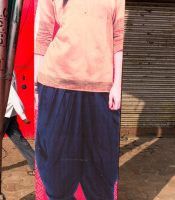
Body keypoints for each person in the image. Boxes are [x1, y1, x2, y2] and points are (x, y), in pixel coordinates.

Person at [34, 0, 125, 199]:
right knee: (56, 170)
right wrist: (36, 88)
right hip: (57, 83)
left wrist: (116, 85)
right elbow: (43, 34)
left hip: (100, 87)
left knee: (102, 171)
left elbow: (118, 37)